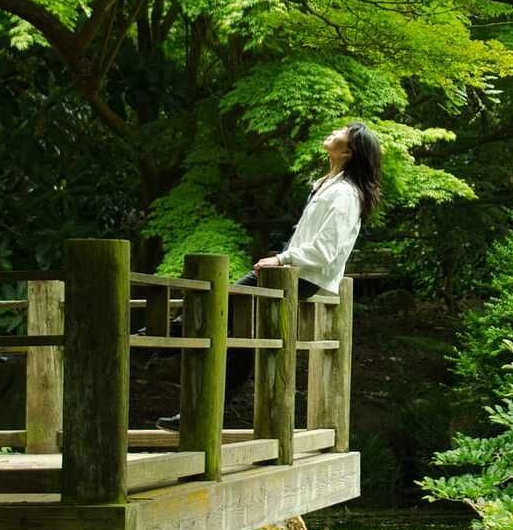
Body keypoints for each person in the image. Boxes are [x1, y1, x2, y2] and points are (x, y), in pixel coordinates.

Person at [156, 122, 382, 431]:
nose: (334, 131)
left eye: (343, 131)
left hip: (300, 276)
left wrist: (281, 258)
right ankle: (192, 411)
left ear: (349, 150)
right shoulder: (326, 184)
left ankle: (160, 340)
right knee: (241, 342)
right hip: (291, 272)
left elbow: (326, 250)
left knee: (222, 302)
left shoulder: (345, 194)